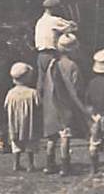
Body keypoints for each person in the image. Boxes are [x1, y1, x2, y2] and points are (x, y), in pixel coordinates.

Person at [39, 33, 92, 176]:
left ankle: (49, 164)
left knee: (51, 137)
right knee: (65, 135)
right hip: (65, 104)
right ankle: (64, 165)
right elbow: (77, 87)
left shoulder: (52, 63)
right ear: (73, 50)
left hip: (50, 103)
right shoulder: (72, 66)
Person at [34, 0, 77, 91]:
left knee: (41, 80)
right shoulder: (55, 20)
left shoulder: (40, 21)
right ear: (54, 8)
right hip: (51, 54)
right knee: (54, 83)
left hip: (40, 55)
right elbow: (73, 27)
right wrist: (70, 23)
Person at [4, 62, 40, 172]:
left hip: (15, 121)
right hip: (29, 121)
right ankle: (30, 164)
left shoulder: (10, 93)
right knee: (30, 142)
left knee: (16, 143)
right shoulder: (32, 93)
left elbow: (5, 106)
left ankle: (16, 163)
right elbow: (39, 105)